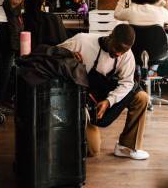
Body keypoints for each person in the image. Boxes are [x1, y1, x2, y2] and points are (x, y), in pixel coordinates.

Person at [59, 24, 150, 160]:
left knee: (141, 97)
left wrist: (109, 101)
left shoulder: (126, 56)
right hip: (80, 100)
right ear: (111, 35)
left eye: (123, 51)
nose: (118, 54)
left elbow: (127, 83)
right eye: (117, 48)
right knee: (92, 150)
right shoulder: (82, 41)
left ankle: (126, 147)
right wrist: (69, 56)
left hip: (103, 97)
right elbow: (52, 54)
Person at [114, 0, 168, 77]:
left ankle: (137, 68)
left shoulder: (131, 10)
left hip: (135, 52)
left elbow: (117, 15)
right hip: (158, 53)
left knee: (136, 48)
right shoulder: (160, 11)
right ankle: (152, 69)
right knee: (166, 41)